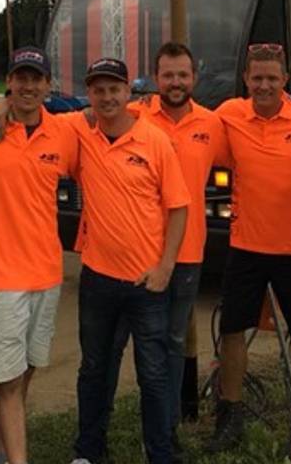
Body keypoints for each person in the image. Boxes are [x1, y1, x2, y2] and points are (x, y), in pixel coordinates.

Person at [205, 43, 291, 463]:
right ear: (246, 80)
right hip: (246, 245)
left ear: (285, 80)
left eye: (271, 79)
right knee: (233, 330)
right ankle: (231, 412)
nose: (263, 85)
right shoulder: (228, 114)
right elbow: (180, 121)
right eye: (256, 78)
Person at [0, 46, 77, 464]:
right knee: (6, 381)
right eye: (20, 78)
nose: (28, 86)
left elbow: (104, 109)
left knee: (26, 370)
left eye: (36, 78)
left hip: (45, 272)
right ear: (9, 81)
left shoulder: (62, 131)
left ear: (47, 85)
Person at [103, 42, 229, 457]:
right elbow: (80, 119)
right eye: (168, 75)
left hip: (186, 253)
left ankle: (165, 426)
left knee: (172, 342)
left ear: (195, 77)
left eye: (183, 75)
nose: (176, 83)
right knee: (122, 344)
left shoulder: (213, 124)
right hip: (135, 254)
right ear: (155, 79)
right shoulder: (134, 116)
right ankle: (106, 429)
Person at [70, 57, 190, 464]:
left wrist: (165, 268)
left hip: (146, 282)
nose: (106, 97)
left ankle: (159, 454)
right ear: (89, 95)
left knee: (153, 374)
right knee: (94, 369)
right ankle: (88, 450)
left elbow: (178, 208)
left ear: (128, 93)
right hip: (98, 279)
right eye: (98, 90)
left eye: (114, 89)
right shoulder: (82, 136)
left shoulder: (154, 140)